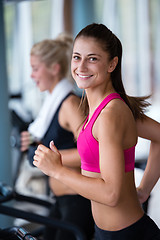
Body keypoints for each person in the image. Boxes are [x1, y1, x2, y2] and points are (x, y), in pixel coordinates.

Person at [33, 23, 160, 240]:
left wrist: (57, 170)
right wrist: (144, 189)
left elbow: (111, 194)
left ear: (112, 64)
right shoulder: (101, 109)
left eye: (92, 58)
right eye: (76, 57)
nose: (81, 67)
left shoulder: (111, 114)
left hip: (127, 235)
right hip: (106, 232)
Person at [20, 33, 94, 240]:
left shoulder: (69, 104)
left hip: (77, 201)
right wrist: (35, 145)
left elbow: (91, 153)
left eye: (35, 69)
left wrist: (46, 156)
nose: (32, 76)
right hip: (61, 200)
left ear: (54, 68)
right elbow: (58, 143)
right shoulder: (51, 105)